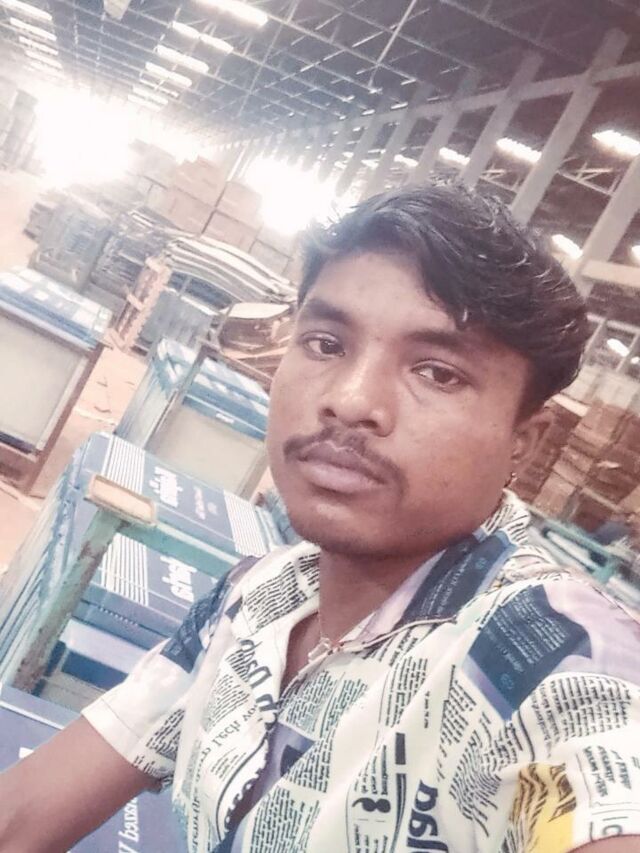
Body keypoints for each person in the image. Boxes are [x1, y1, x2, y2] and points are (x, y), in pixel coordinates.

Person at [1, 183, 640, 853]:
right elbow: (23, 813)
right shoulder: (258, 598)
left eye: (437, 373)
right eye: (327, 343)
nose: (351, 400)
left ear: (523, 444)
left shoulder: (548, 657)